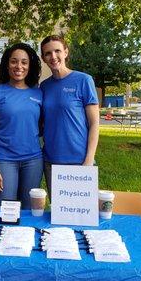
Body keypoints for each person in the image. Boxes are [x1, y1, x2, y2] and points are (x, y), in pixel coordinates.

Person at [0, 43, 43, 209]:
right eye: (14, 61)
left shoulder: (38, 93)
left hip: (33, 161)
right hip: (4, 161)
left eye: (24, 62)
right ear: (7, 64)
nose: (19, 66)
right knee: (5, 212)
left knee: (29, 213)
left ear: (30, 66)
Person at [39, 35, 100, 190]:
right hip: (51, 161)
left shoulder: (84, 81)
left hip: (79, 161)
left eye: (57, 51)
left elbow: (94, 124)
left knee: (81, 212)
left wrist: (89, 159)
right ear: (43, 58)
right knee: (58, 212)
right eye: (48, 53)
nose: (53, 56)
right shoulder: (44, 87)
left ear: (65, 52)